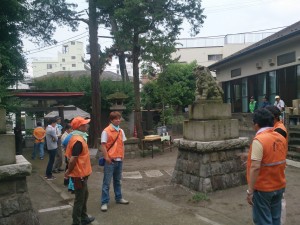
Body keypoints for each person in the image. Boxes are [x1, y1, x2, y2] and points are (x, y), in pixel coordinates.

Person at [246, 108, 287, 225]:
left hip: (263, 188)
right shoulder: (280, 138)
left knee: (263, 220)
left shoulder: (259, 140)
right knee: (275, 219)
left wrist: (250, 191)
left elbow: (255, 167)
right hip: (279, 185)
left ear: (256, 125)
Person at [64, 117, 94, 225]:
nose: (87, 125)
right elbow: (73, 159)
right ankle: (76, 222)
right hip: (79, 174)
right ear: (80, 126)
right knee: (79, 199)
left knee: (84, 195)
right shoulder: (78, 140)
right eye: (85, 124)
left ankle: (84, 217)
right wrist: (68, 172)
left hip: (82, 173)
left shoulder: (77, 137)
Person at [100, 111, 129, 212]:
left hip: (119, 159)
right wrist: (106, 157)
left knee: (118, 181)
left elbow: (122, 144)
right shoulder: (106, 131)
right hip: (110, 160)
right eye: (116, 118)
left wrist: (123, 155)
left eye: (119, 118)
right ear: (111, 120)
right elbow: (103, 145)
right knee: (106, 182)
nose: (118, 120)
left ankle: (119, 197)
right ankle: (104, 202)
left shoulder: (121, 131)